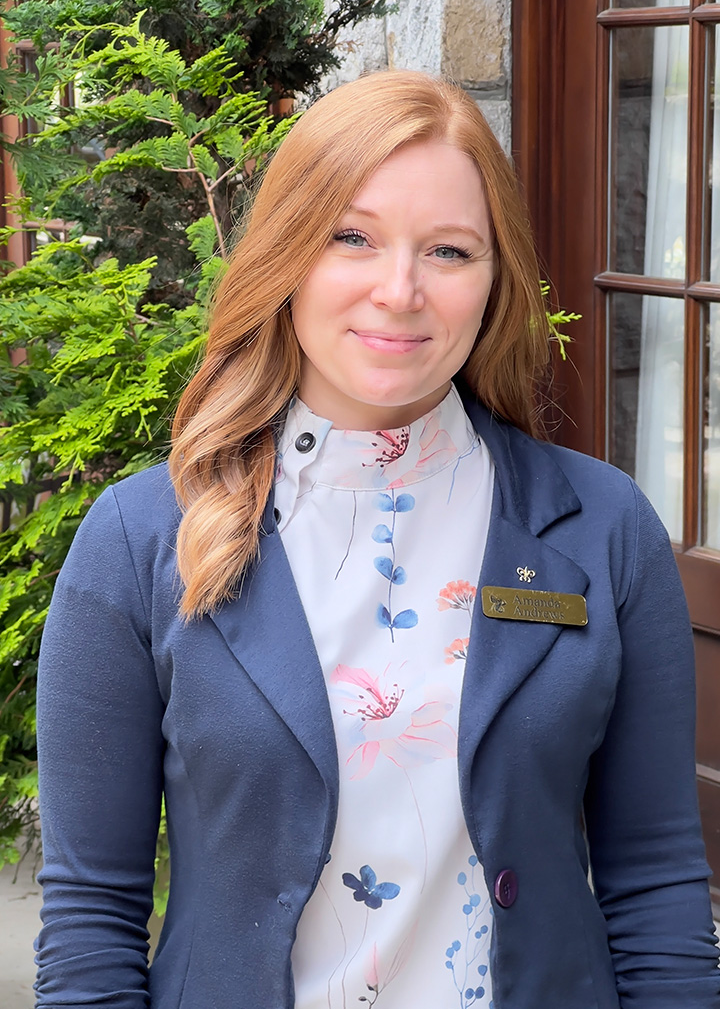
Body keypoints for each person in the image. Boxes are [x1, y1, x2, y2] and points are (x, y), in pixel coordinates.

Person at [34, 70, 720, 1009]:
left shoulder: (605, 530)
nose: (400, 291)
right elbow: (90, 919)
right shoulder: (141, 539)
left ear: (496, 279)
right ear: (287, 255)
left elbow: (657, 885)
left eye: (449, 250)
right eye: (351, 237)